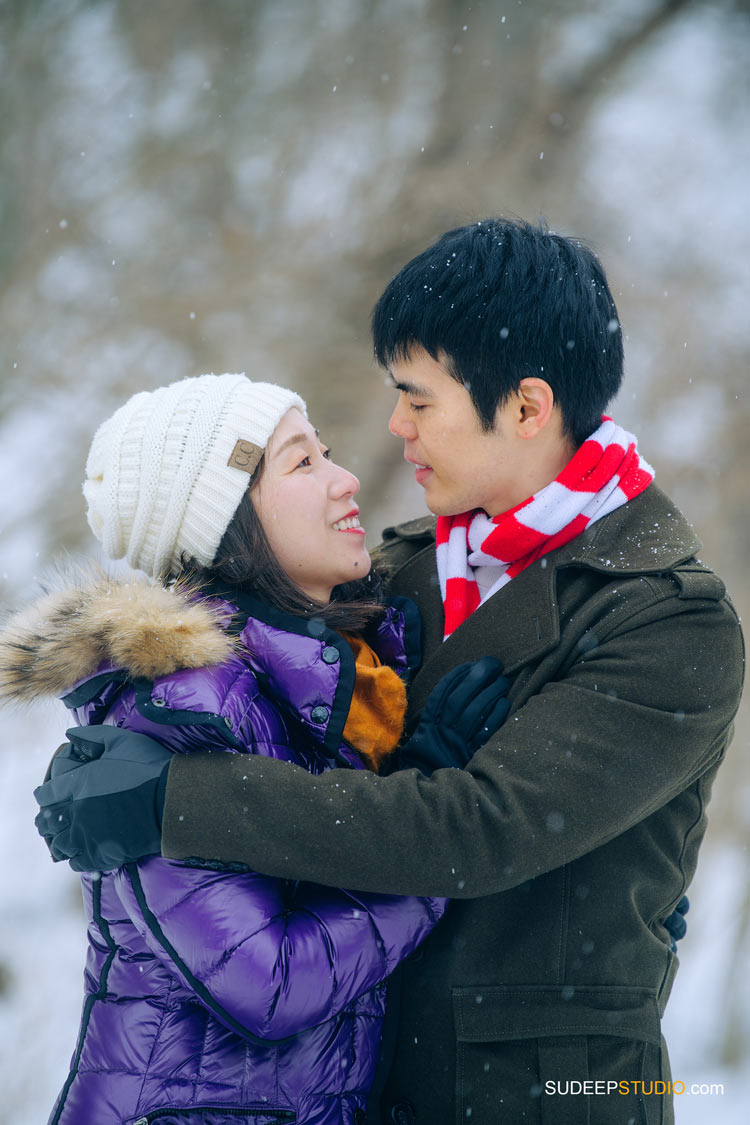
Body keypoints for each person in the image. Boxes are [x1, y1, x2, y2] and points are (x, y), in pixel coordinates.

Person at [30, 220, 744, 1124]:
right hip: (355, 1080)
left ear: (527, 407)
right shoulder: (400, 574)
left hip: (542, 1095)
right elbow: (234, 635)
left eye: (418, 399)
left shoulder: (666, 618)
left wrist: (177, 801)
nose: (395, 428)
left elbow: (483, 829)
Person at [0, 373, 511, 1124]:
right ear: (222, 522)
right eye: (303, 464)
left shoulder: (338, 685)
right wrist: (432, 837)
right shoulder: (175, 704)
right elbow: (269, 982)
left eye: (327, 454)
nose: (345, 481)